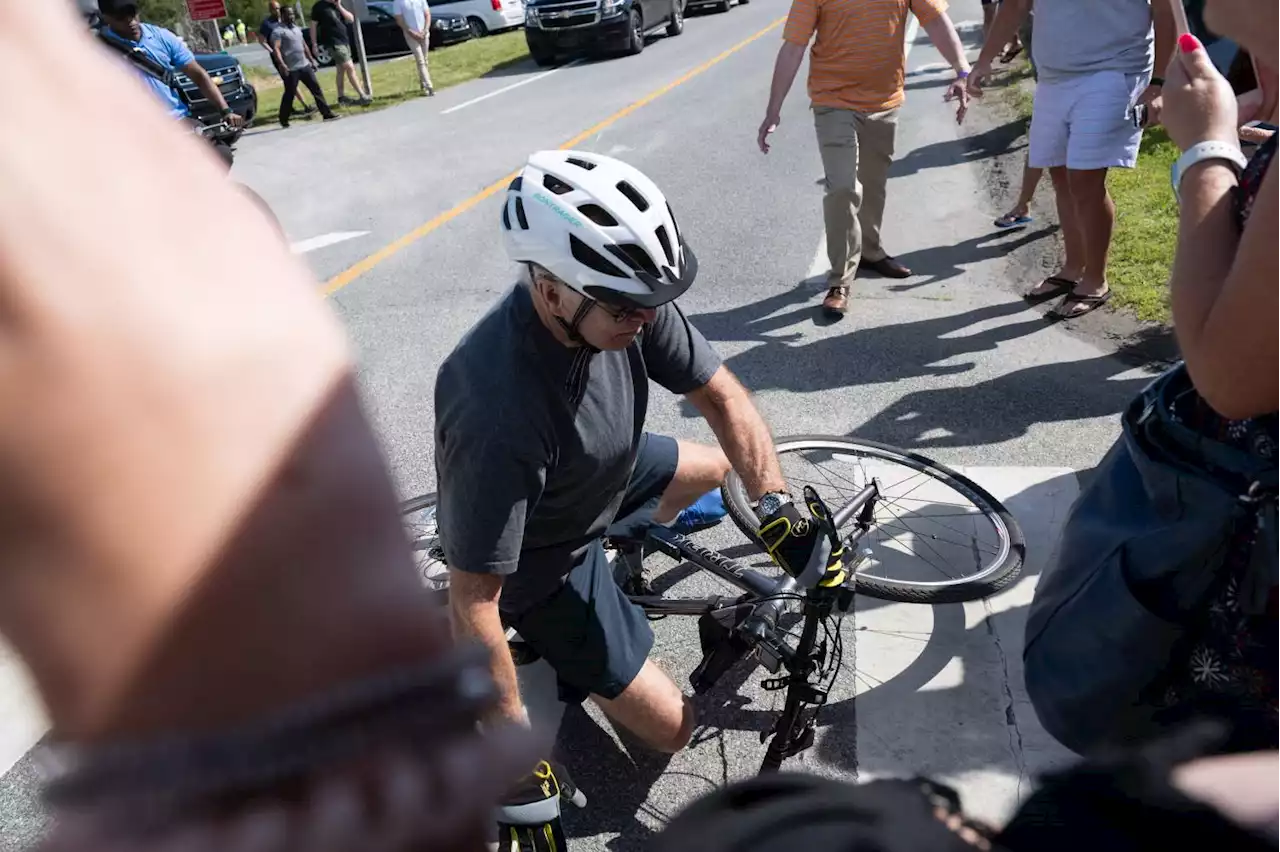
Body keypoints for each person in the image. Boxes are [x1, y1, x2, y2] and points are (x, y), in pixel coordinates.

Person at [435, 150, 841, 756]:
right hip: (544, 556)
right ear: (550, 291)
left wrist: (776, 504)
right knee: (675, 730)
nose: (648, 318)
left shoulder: (623, 297)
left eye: (651, 302)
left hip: (605, 471)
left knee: (721, 469)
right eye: (627, 310)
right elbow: (473, 599)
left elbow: (722, 396)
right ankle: (556, 641)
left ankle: (627, 546)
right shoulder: (498, 410)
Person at [757, 0, 974, 318]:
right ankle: (840, 279)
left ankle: (871, 251)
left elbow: (936, 20)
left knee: (874, 182)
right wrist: (773, 109)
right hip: (833, 100)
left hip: (885, 101)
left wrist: (962, 69)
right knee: (843, 187)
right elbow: (794, 47)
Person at [969, 0, 1175, 319]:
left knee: (1085, 178)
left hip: (1116, 69)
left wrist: (1159, 82)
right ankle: (1072, 268)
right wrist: (983, 60)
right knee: (1061, 174)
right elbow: (1016, 4)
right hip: (1055, 76)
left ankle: (1095, 279)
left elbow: (1166, 10)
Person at [95, 0, 244, 131]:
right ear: (106, 18)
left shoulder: (162, 36)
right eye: (121, 17)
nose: (131, 21)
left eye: (132, 13)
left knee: (222, 155)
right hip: (136, 128)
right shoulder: (99, 50)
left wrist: (225, 111)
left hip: (177, 119)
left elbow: (198, 75)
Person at [272, 6, 338, 127]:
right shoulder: (278, 31)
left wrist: (312, 60)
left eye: (292, 14)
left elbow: (304, 46)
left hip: (304, 65)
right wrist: (282, 64)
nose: (291, 16)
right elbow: (276, 49)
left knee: (316, 89)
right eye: (288, 14)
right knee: (289, 94)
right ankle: (283, 119)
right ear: (282, 16)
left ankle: (326, 113)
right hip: (291, 68)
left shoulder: (297, 29)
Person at [310, 0, 372, 106]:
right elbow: (313, 26)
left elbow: (351, 18)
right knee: (349, 67)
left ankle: (341, 97)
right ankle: (362, 95)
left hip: (343, 40)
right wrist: (314, 44)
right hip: (332, 42)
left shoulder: (336, 6)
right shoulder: (319, 7)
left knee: (341, 70)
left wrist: (339, 6)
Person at [259, 0, 315, 117]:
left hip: (294, 56)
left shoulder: (287, 21)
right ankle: (304, 105)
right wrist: (273, 52)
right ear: (270, 10)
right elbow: (262, 40)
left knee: (291, 84)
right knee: (290, 82)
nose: (277, 11)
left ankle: (289, 108)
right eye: (275, 9)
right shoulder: (267, 24)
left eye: (279, 8)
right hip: (281, 58)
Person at [393, 0, 435, 96]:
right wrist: (411, 32)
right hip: (410, 35)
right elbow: (399, 20)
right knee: (420, 60)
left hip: (424, 33)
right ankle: (429, 86)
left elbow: (427, 14)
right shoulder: (398, 2)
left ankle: (423, 83)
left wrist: (425, 29)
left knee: (425, 59)